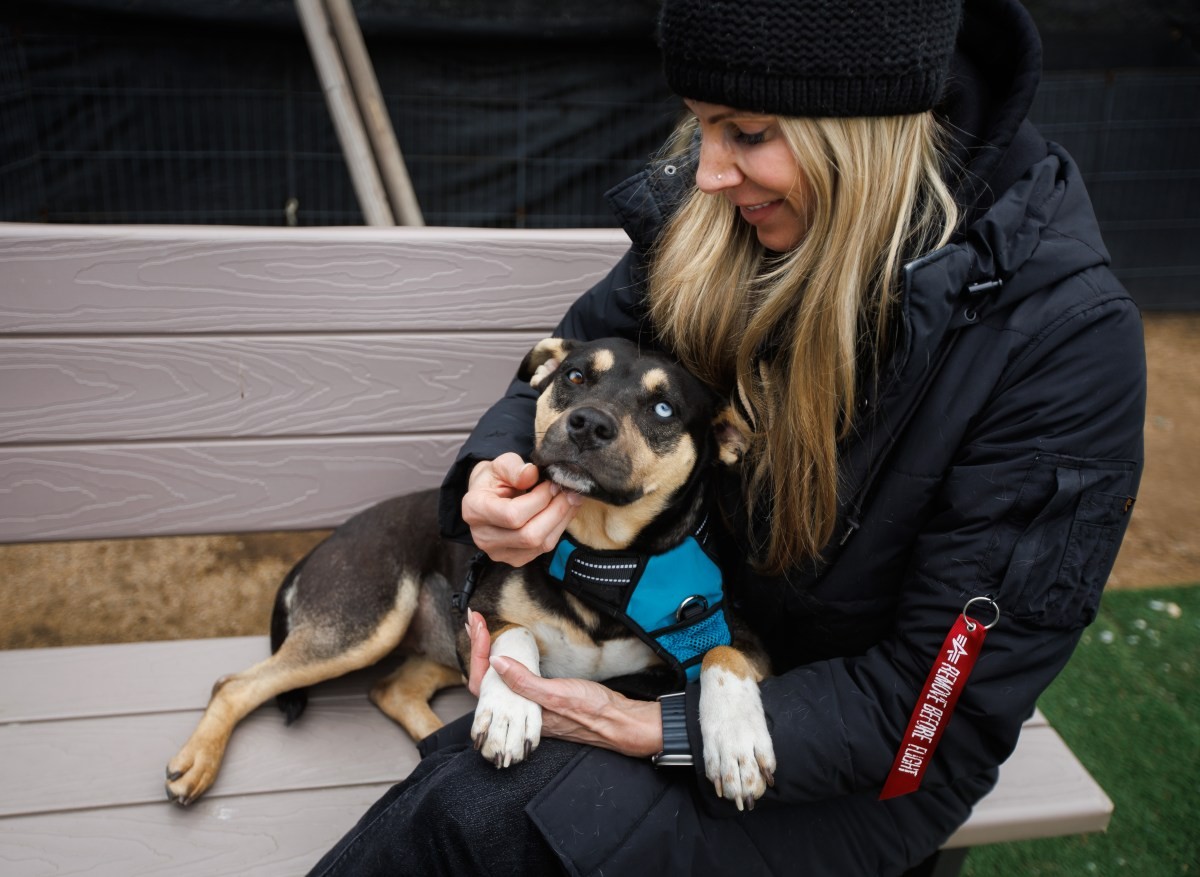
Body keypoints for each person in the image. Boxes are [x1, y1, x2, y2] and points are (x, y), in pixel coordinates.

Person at [308, 0, 1146, 873]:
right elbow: (571, 365)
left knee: (480, 823)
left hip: (855, 757)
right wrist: (498, 469)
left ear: (859, 134)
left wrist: (646, 725)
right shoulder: (733, 216)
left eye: (745, 131)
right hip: (673, 640)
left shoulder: (1063, 343)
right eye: (701, 126)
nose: (707, 173)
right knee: (469, 796)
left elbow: (938, 709)